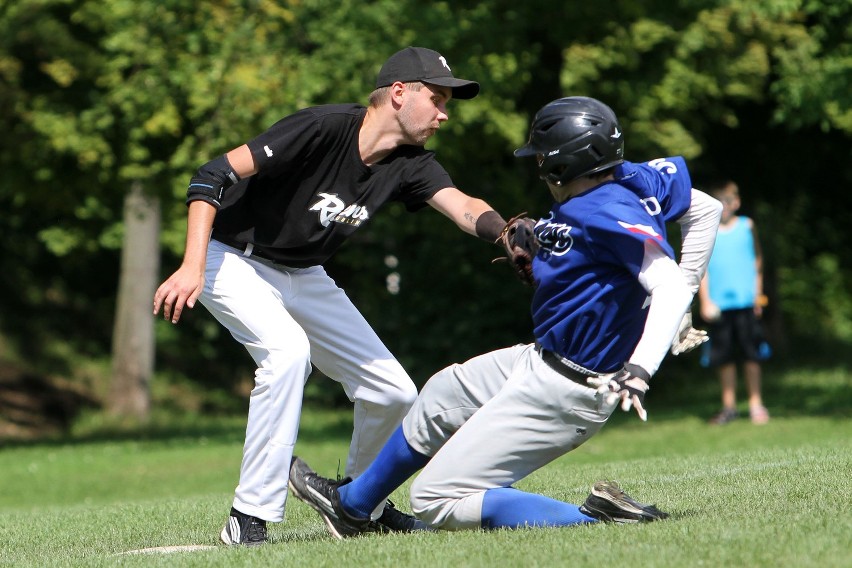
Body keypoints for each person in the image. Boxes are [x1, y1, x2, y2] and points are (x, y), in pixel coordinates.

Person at [287, 96, 723, 537]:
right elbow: (706, 209)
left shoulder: (607, 209)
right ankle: (352, 507)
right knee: (441, 394)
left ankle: (598, 520)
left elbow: (665, 284)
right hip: (542, 358)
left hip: (571, 387)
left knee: (434, 500)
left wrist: (645, 361)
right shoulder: (632, 178)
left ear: (558, 165)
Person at [152, 46, 513, 546]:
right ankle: (248, 517)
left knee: (392, 392)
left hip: (303, 272)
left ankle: (357, 504)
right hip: (230, 257)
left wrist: (510, 234)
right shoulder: (323, 128)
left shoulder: (410, 164)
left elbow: (464, 206)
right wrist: (192, 265)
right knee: (286, 354)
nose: (444, 113)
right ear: (399, 92)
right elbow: (211, 175)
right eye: (437, 98)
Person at [698, 180, 771, 425]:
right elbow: (702, 269)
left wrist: (758, 294)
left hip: (746, 302)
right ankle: (728, 407)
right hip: (719, 305)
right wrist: (705, 301)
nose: (724, 207)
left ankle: (756, 404)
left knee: (752, 355)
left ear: (736, 203)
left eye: (728, 202)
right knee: (723, 358)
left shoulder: (746, 226)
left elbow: (757, 262)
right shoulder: (708, 230)